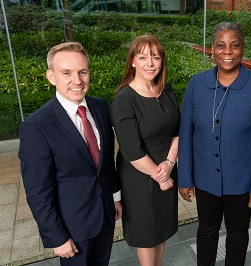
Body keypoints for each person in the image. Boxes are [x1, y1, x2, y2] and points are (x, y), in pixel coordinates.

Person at [178, 21, 251, 266]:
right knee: (206, 230)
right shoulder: (196, 84)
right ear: (212, 49)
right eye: (221, 46)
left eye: (234, 46)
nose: (227, 51)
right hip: (204, 180)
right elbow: (186, 133)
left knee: (237, 234)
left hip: (243, 182)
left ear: (243, 49)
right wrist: (185, 178)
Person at [18, 42, 122, 265]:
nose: (77, 80)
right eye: (66, 73)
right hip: (72, 229)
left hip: (105, 216)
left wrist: (114, 197)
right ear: (51, 76)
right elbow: (38, 192)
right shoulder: (36, 126)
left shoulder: (100, 107)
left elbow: (106, 162)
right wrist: (57, 237)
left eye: (82, 72)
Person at [112, 34, 180, 266]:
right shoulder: (124, 99)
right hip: (140, 178)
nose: (150, 63)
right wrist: (161, 176)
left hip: (167, 171)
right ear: (132, 61)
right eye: (142, 57)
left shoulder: (166, 90)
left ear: (162, 61)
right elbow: (132, 151)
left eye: (155, 57)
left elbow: (178, 132)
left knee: (160, 231)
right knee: (147, 235)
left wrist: (169, 164)